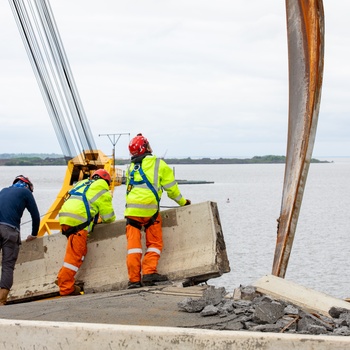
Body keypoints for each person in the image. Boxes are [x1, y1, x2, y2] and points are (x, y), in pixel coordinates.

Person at [125, 133, 191, 289]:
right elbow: (172, 189)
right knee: (154, 243)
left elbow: (129, 190)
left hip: (131, 211)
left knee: (133, 248)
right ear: (146, 147)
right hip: (150, 211)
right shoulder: (158, 164)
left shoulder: (131, 168)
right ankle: (149, 272)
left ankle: (134, 280)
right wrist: (183, 202)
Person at [56, 169, 116, 296]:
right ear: (106, 181)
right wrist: (107, 198)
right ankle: (65, 286)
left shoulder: (81, 183)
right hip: (78, 222)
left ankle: (63, 277)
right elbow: (109, 217)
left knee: (78, 251)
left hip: (65, 218)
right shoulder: (102, 189)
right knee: (74, 257)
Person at [0, 175, 40, 306]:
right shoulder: (26, 192)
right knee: (7, 266)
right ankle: (1, 301)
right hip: (10, 231)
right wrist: (34, 234)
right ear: (28, 185)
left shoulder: (3, 191)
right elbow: (35, 215)